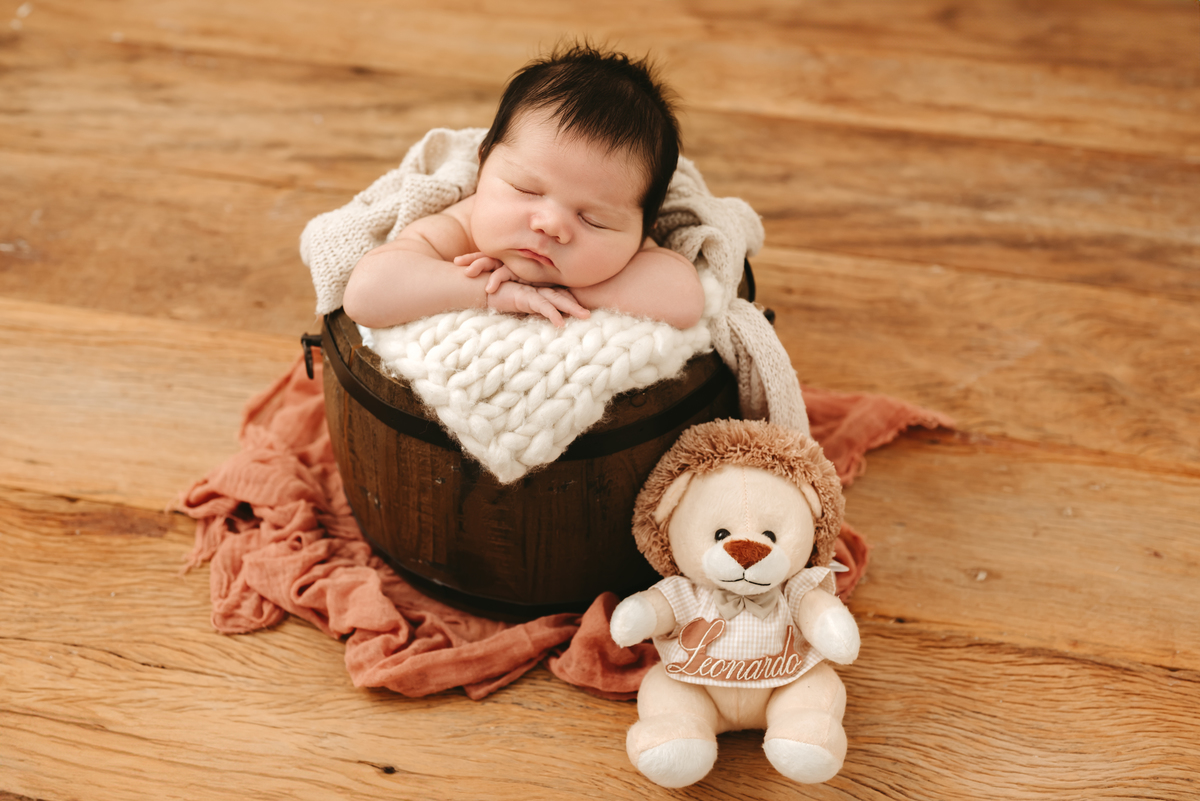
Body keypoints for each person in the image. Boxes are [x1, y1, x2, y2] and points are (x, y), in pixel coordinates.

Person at [342, 43, 706, 330]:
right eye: (526, 190)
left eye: (593, 220)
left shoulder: (633, 250)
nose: (550, 225)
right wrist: (494, 293)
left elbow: (685, 300)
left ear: (647, 226)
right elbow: (365, 294)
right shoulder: (460, 226)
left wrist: (559, 288)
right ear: (482, 165)